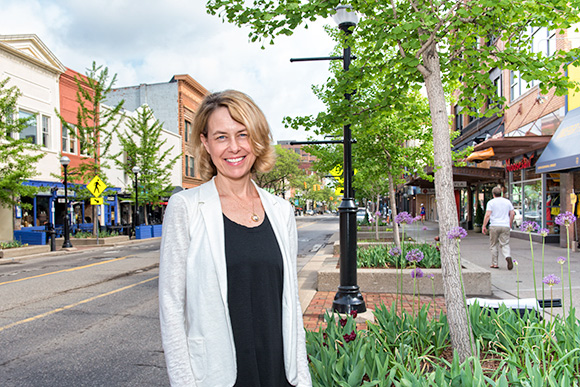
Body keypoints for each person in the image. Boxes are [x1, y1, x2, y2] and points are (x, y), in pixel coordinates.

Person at [158, 90, 312, 387]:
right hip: (217, 374)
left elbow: (290, 302)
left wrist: (302, 378)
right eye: (221, 137)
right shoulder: (186, 208)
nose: (233, 147)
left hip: (279, 371)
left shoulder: (281, 211)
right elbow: (171, 306)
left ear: (257, 139)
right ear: (205, 142)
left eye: (242, 134)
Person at [482, 186, 515, 270]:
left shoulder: (491, 202)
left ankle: (494, 263)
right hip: (505, 225)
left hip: (494, 225)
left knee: (493, 244)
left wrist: (484, 225)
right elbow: (512, 214)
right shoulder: (507, 202)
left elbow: (488, 215)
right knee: (505, 244)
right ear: (501, 193)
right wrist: (510, 223)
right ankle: (507, 256)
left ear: (493, 194)